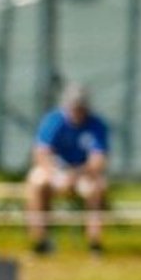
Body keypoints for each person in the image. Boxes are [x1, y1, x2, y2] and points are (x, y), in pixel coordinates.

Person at [24, 83, 110, 255]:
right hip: (55, 171)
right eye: (74, 106)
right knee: (37, 183)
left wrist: (77, 174)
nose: (77, 110)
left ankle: (95, 244)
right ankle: (41, 241)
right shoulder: (53, 120)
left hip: (83, 173)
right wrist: (57, 174)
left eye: (80, 106)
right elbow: (41, 154)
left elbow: (98, 160)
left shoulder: (96, 124)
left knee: (98, 188)